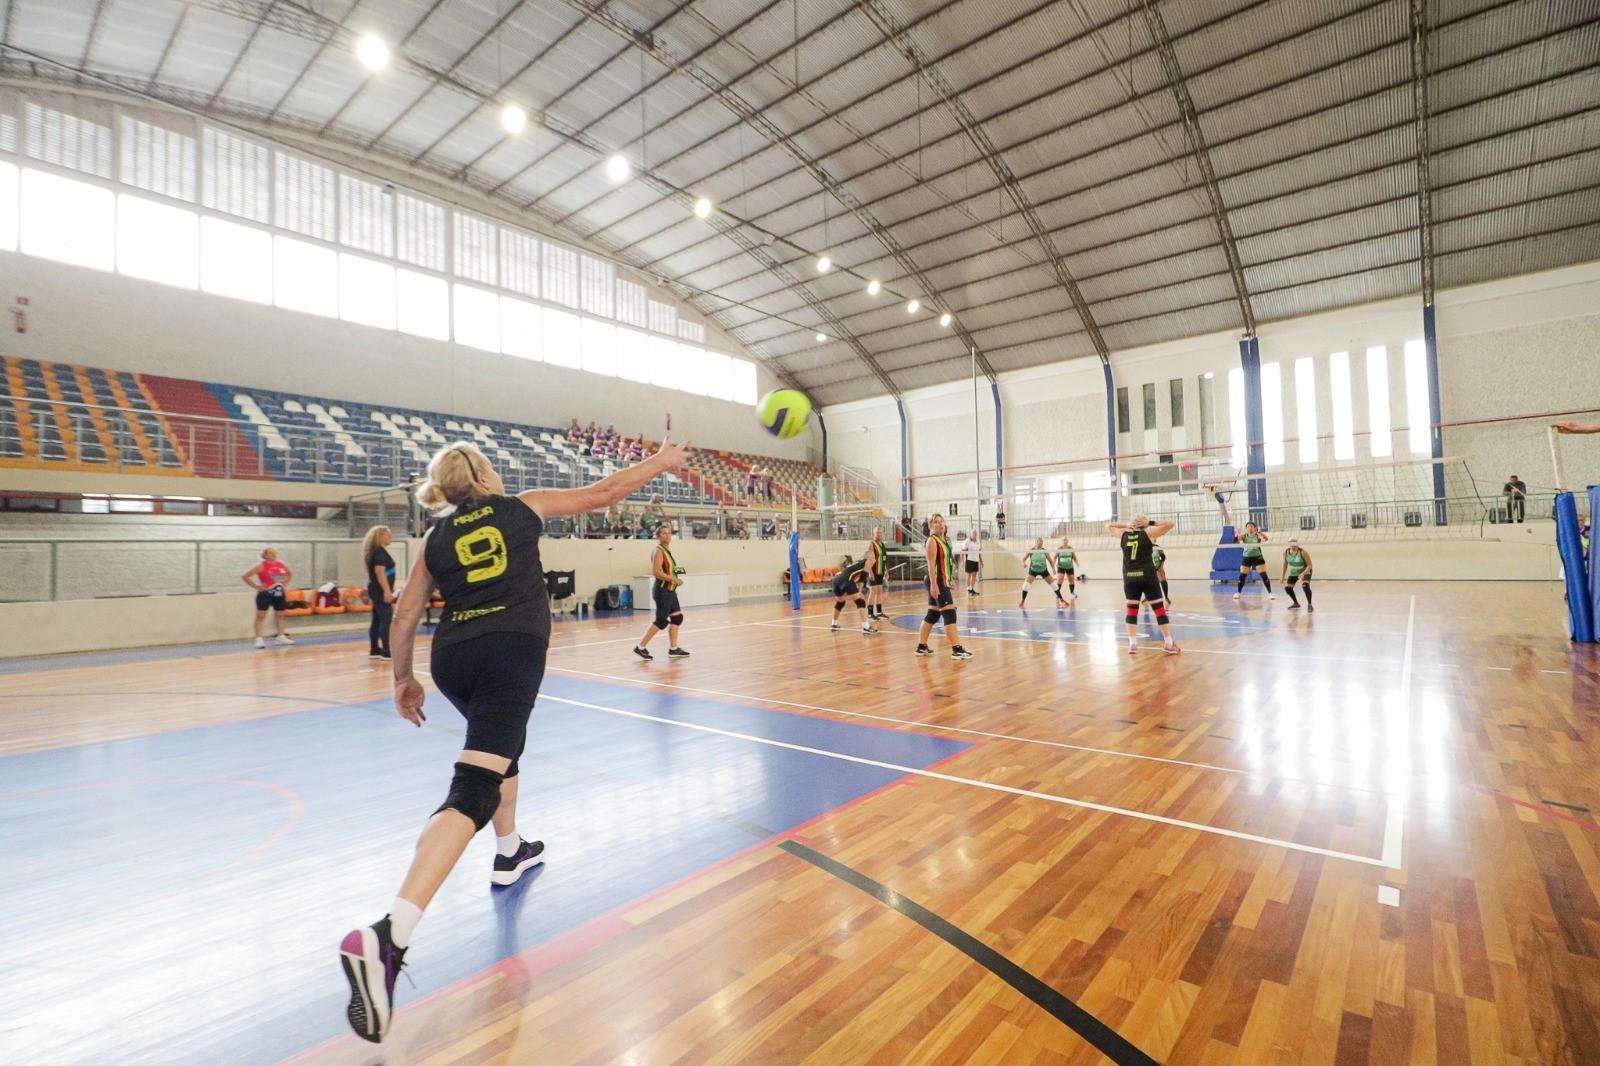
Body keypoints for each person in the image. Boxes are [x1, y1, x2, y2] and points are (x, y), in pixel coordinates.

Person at [339, 437, 688, 1045]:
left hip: (454, 657)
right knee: (474, 783)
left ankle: (510, 850)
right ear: (479, 474)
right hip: (511, 649)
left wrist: (403, 679)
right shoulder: (521, 506)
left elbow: (402, 615)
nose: (498, 469)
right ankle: (389, 934)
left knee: (500, 750)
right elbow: (605, 493)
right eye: (490, 462)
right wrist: (659, 463)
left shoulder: (433, 538)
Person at [1107, 516, 1180, 656]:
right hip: (1148, 577)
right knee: (1159, 611)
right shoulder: (1148, 534)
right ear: (1144, 526)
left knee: (1132, 611)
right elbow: (1170, 524)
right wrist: (1151, 522)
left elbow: (1108, 526)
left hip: (1130, 578)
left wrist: (1126, 524)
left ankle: (1133, 644)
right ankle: (1168, 643)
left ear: (1132, 526)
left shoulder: (1123, 535)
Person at [915, 512, 973, 660]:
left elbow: (946, 562)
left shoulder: (946, 540)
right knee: (949, 613)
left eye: (941, 521)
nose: (940, 524)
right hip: (936, 581)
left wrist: (950, 579)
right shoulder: (932, 541)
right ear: (930, 526)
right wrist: (935, 585)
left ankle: (921, 647)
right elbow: (931, 565)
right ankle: (957, 649)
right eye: (936, 522)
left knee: (933, 614)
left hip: (943, 580)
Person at [635, 523, 689, 660]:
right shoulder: (659, 550)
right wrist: (673, 579)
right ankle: (640, 647)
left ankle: (674, 649)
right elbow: (656, 572)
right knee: (661, 621)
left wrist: (678, 571)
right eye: (664, 533)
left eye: (669, 533)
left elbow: (666, 569)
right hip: (662, 590)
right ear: (659, 536)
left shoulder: (666, 550)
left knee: (677, 618)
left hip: (670, 590)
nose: (668, 535)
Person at [242, 547, 294, 649]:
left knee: (280, 614)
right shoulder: (261, 566)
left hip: (279, 592)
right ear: (265, 555)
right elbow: (245, 576)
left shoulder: (280, 564)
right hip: (266, 593)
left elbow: (290, 573)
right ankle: (258, 639)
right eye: (271, 553)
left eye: (275, 553)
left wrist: (285, 582)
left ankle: (281, 636)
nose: (273, 555)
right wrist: (256, 586)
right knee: (261, 616)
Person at [363, 525, 397, 660]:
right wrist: (387, 591)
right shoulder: (379, 553)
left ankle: (374, 649)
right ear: (381, 537)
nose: (390, 537)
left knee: (377, 619)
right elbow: (380, 572)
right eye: (388, 535)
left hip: (377, 589)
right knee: (386, 618)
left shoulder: (378, 552)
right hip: (379, 589)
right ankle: (387, 650)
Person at [829, 555, 877, 634]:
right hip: (846, 578)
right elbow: (863, 577)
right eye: (875, 558)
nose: (875, 560)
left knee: (840, 602)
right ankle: (866, 627)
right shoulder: (869, 560)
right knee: (860, 602)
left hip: (836, 578)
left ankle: (834, 625)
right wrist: (860, 591)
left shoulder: (858, 564)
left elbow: (857, 577)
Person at [1232, 521, 1272, 600]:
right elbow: (1234, 540)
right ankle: (1238, 593)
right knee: (1242, 575)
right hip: (1247, 557)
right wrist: (1237, 534)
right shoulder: (1244, 536)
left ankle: (1270, 593)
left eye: (1251, 526)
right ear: (1246, 529)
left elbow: (1266, 539)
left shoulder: (1257, 536)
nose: (1250, 527)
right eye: (1248, 526)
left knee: (1263, 575)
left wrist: (1260, 532)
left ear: (1254, 528)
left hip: (1257, 556)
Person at [1018, 537, 1053, 608]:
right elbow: (1023, 559)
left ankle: (1061, 600)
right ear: (1036, 542)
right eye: (1039, 542)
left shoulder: (1044, 551)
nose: (1040, 544)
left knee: (1054, 585)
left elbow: (1050, 560)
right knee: (1025, 586)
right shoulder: (1031, 550)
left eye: (1041, 542)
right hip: (1033, 571)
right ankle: (1023, 601)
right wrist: (1023, 564)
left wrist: (1053, 569)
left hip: (1043, 570)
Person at [864, 527, 889, 620]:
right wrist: (870, 572)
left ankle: (879, 612)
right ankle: (870, 614)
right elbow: (868, 559)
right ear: (873, 534)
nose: (879, 534)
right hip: (873, 571)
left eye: (880, 533)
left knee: (879, 590)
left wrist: (886, 570)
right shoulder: (872, 544)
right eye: (877, 533)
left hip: (880, 571)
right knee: (873, 591)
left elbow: (883, 559)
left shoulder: (882, 544)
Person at [1281, 539, 1314, 611]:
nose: (1293, 545)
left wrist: (1303, 574)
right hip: (1294, 572)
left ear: (1297, 544)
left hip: (1305, 571)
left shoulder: (1303, 552)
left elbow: (1310, 565)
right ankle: (1296, 603)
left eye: (1295, 543)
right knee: (1288, 588)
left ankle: (1309, 604)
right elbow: (1285, 565)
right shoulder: (1286, 552)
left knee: (1305, 586)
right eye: (1291, 543)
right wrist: (1282, 576)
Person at [1054, 538, 1078, 604]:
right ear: (1062, 541)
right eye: (1063, 540)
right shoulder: (1059, 549)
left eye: (1066, 540)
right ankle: (1058, 594)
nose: (1065, 541)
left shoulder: (1070, 548)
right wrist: (1053, 566)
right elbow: (1054, 557)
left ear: (1068, 541)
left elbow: (1074, 557)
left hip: (1069, 567)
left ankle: (1072, 592)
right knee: (1060, 580)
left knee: (1071, 580)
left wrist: (1077, 563)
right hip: (1061, 567)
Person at [962, 527, 982, 596]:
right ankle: (968, 590)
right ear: (970, 534)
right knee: (969, 575)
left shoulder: (978, 541)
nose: (974, 535)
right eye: (973, 533)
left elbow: (979, 552)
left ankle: (972, 589)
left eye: (975, 533)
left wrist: (981, 561)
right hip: (969, 560)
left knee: (974, 576)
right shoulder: (967, 541)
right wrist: (962, 561)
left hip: (976, 560)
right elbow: (962, 551)